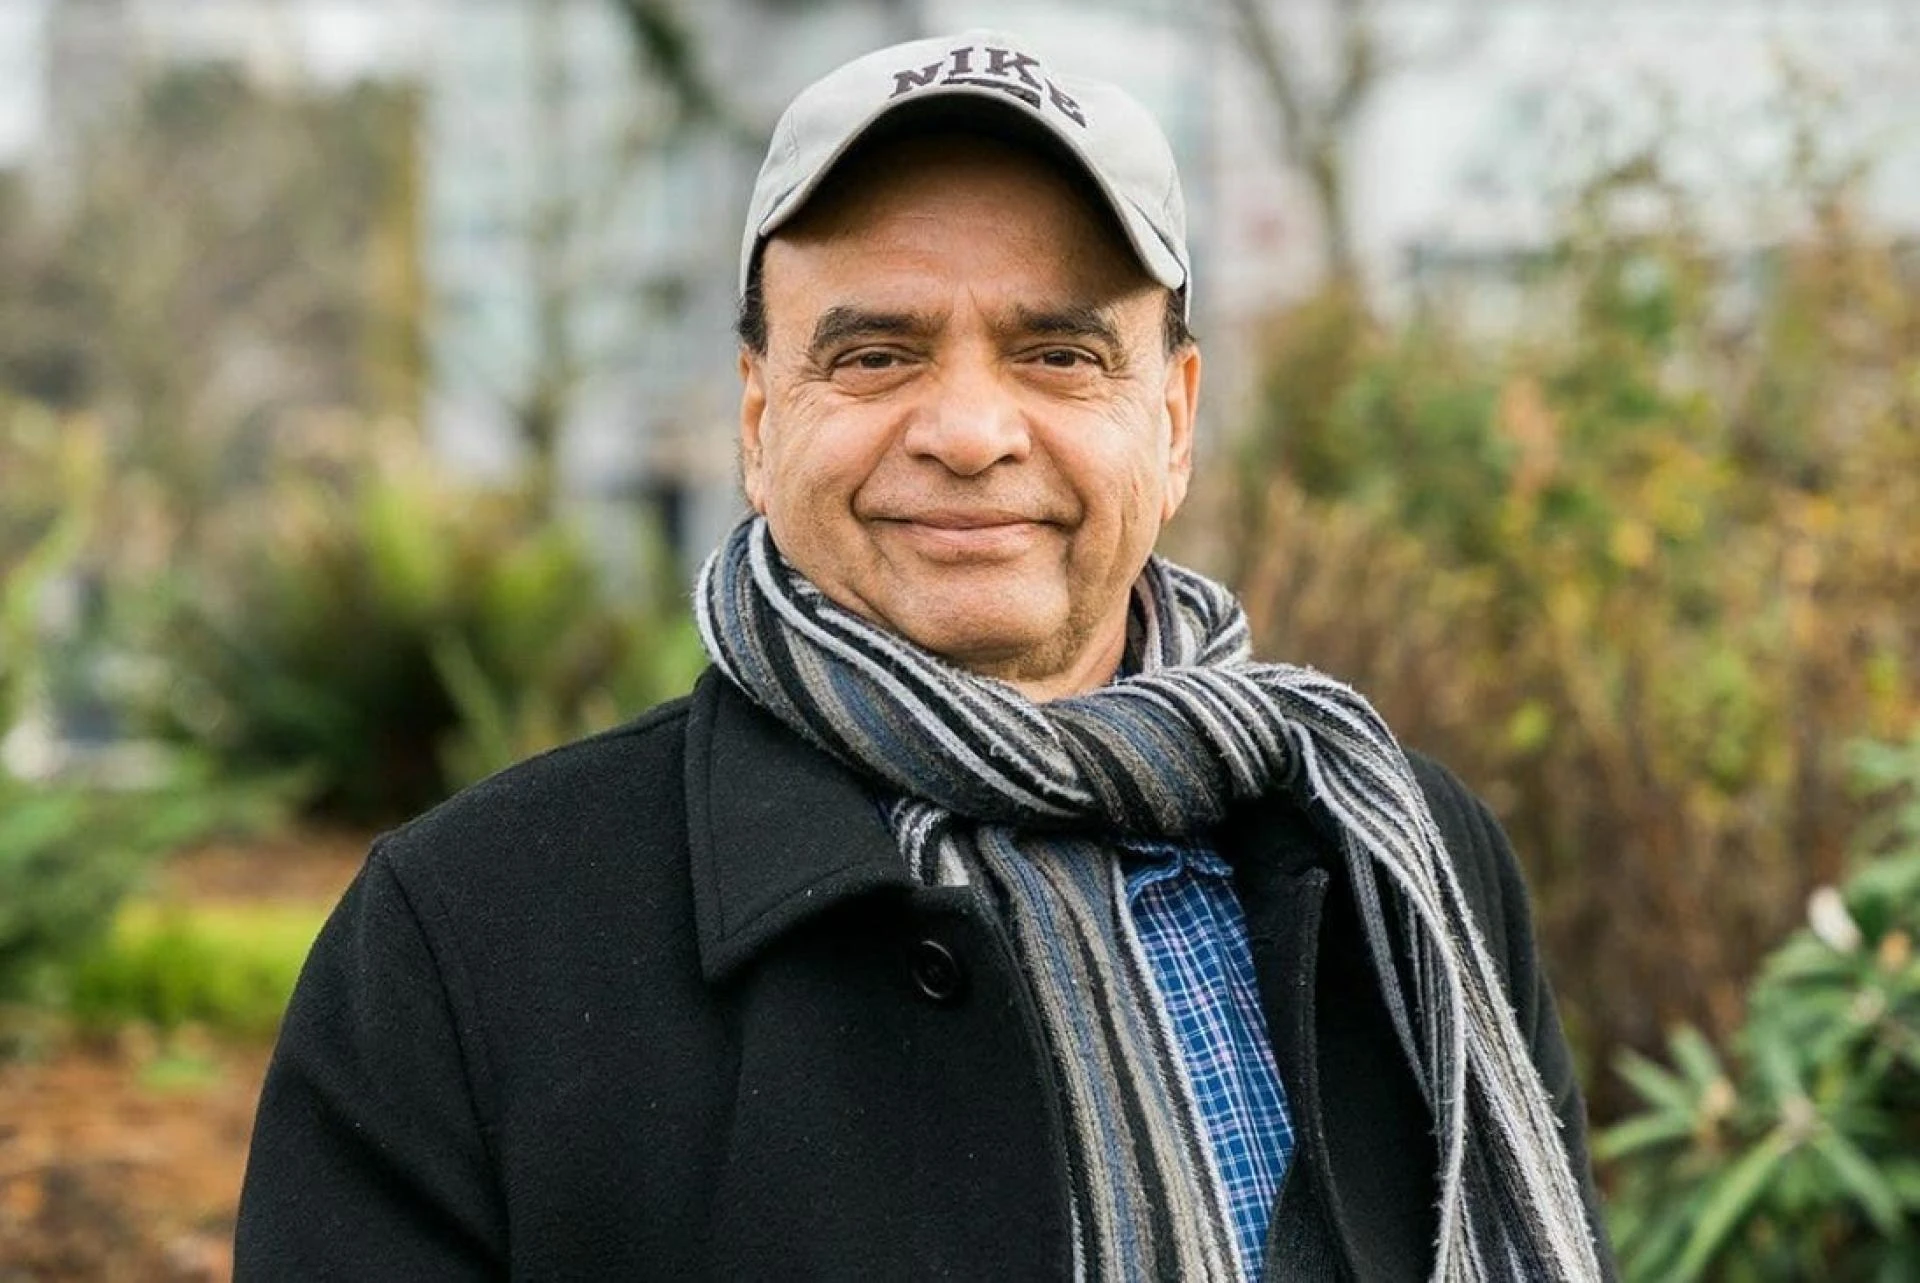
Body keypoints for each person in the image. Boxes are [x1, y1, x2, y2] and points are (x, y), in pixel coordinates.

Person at [236, 29, 1615, 1282]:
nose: (968, 432)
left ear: (1174, 421)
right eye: (878, 355)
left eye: (1059, 354)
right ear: (758, 416)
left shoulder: (1403, 860)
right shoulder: (466, 939)